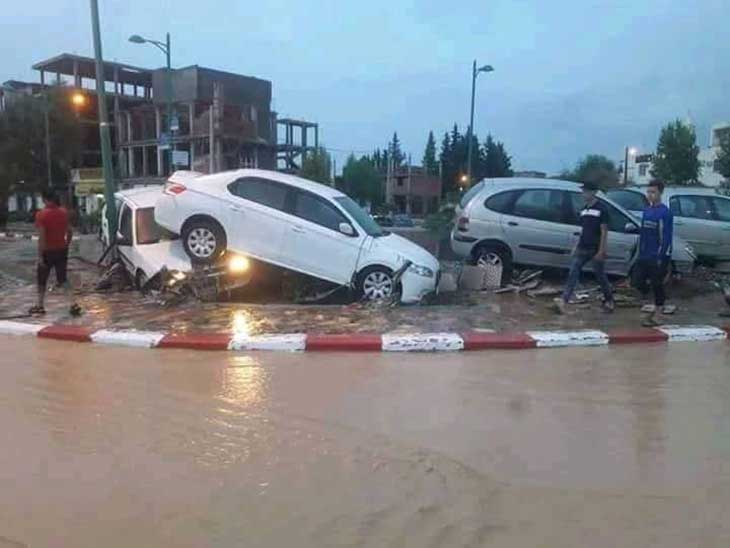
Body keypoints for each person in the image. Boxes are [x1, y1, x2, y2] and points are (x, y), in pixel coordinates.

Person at [553, 182, 614, 314]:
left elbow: (604, 231)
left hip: (595, 247)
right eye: (583, 191)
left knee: (600, 275)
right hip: (583, 246)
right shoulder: (584, 209)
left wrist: (602, 250)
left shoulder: (602, 209)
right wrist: (576, 245)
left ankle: (609, 299)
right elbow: (583, 230)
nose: (583, 194)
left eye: (586, 191)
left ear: (593, 192)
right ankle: (564, 300)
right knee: (573, 271)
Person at [30, 189, 81, 316]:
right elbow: (69, 231)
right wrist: (66, 244)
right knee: (62, 279)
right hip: (62, 250)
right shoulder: (64, 212)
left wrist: (40, 256)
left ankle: (40, 305)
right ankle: (73, 304)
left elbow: (42, 237)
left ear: (45, 199)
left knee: (42, 279)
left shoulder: (41, 214)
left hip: (47, 251)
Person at [634, 179, 673, 326]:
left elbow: (666, 236)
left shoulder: (665, 213)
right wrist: (639, 251)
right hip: (644, 254)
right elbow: (643, 233)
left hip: (658, 255)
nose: (650, 195)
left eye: (653, 192)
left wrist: (662, 256)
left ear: (660, 193)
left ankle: (658, 313)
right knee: (637, 281)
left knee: (657, 284)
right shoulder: (647, 211)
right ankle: (652, 305)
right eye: (648, 192)